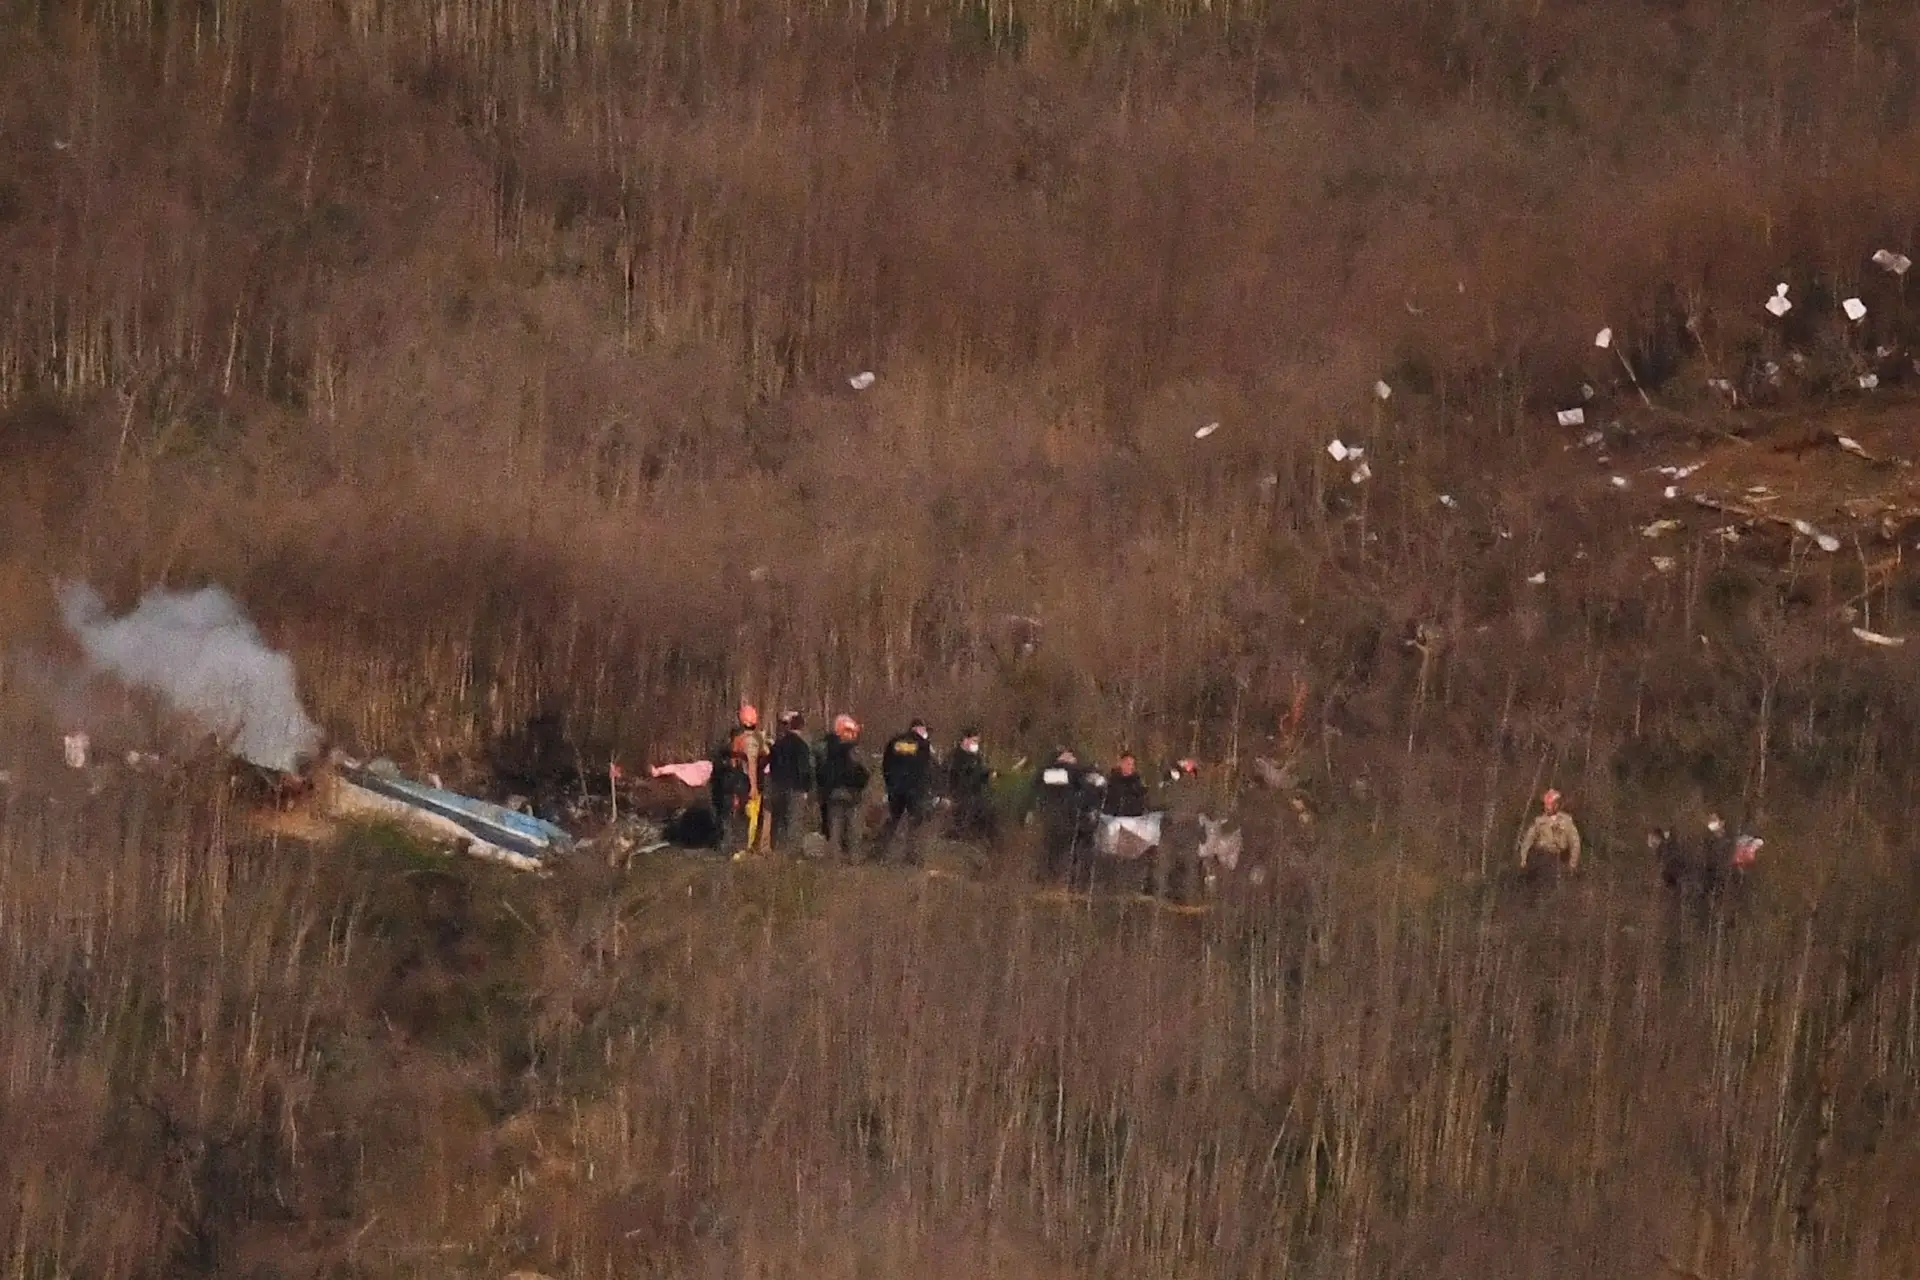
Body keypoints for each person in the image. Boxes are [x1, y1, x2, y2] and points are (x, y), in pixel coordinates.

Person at [1032, 748, 1104, 884]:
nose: (1073, 758)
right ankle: (1069, 881)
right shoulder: (1073, 772)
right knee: (1071, 851)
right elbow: (1089, 789)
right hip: (1068, 818)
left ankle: (1043, 880)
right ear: (1063, 757)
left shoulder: (1045, 772)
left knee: (1049, 851)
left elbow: (1036, 787)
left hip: (1049, 817)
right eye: (1070, 755)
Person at [879, 718, 936, 864]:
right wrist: (927, 789)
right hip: (915, 791)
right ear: (920, 729)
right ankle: (913, 857)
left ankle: (883, 855)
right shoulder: (923, 744)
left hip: (896, 789)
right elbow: (926, 769)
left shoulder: (895, 742)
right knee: (915, 824)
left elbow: (886, 765)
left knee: (893, 821)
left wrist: (890, 784)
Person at [815, 714, 869, 861]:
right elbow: (864, 772)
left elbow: (822, 771)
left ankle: (835, 858)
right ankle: (854, 857)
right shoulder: (854, 750)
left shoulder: (827, 748)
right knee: (853, 827)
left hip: (833, 792)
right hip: (852, 793)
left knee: (835, 827)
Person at [1152, 758, 1205, 901]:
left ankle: (1159, 896)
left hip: (1171, 829)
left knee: (1163, 866)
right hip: (1191, 831)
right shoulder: (1200, 789)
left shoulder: (1172, 787)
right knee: (1190, 868)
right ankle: (1189, 898)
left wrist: (1165, 782)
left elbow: (1155, 802)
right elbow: (1211, 810)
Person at [762, 710, 814, 854]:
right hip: (795, 788)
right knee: (794, 821)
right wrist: (806, 788)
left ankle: (777, 849)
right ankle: (791, 853)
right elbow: (804, 768)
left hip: (777, 786)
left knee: (778, 821)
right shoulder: (802, 746)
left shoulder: (778, 745)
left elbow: (771, 765)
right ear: (801, 727)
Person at [1517, 788, 1581, 880]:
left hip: (1560, 859)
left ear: (1557, 805)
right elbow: (1528, 840)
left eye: (1550, 804)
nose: (1548, 807)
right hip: (1542, 858)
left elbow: (1575, 843)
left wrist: (1572, 863)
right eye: (1546, 804)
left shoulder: (1566, 821)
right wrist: (1523, 859)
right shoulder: (1539, 822)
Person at [945, 727, 996, 840]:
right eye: (974, 741)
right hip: (959, 798)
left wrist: (989, 775)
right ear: (965, 740)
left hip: (975, 797)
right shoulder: (954, 757)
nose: (976, 744)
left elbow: (981, 773)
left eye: (977, 741)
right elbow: (948, 777)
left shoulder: (977, 758)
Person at [1102, 752, 1149, 818]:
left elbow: (1142, 803)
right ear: (1122, 764)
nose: (1131, 767)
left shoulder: (1137, 782)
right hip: (1113, 818)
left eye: (1132, 764)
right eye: (1128, 764)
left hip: (1134, 819)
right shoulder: (1111, 780)